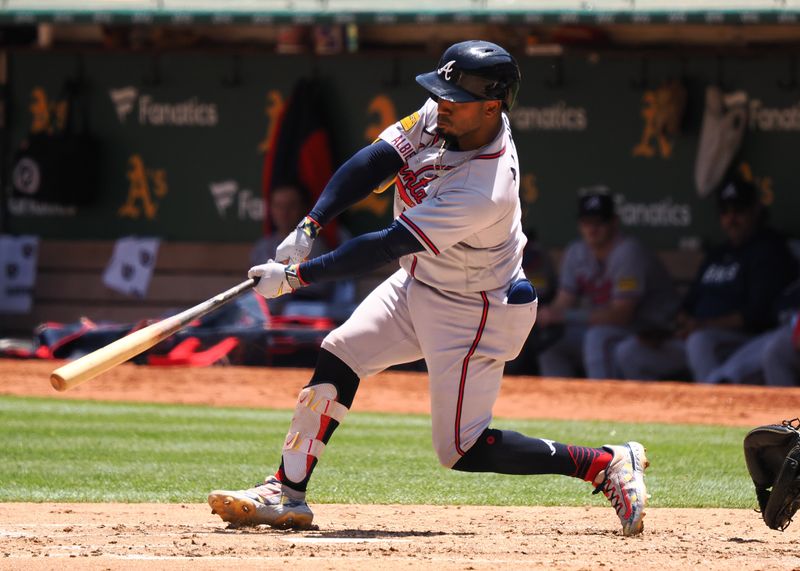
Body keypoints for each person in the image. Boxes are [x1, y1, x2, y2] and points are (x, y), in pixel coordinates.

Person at [207, 40, 649, 537]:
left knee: (460, 449)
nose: (440, 105)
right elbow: (375, 161)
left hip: (473, 307)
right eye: (440, 93)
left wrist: (294, 278)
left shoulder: (485, 186)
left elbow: (388, 244)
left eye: (453, 98)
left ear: (491, 106)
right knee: (341, 352)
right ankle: (286, 492)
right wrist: (311, 225)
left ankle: (606, 462)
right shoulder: (446, 112)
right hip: (420, 280)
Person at [616, 178, 798, 382]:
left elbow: (757, 315)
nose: (731, 218)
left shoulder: (770, 249)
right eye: (725, 212)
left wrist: (704, 325)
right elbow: (691, 301)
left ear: (755, 210)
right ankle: (653, 413)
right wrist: (675, 325)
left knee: (700, 341)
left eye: (739, 210)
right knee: (629, 352)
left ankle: (714, 410)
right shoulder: (718, 253)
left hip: (739, 341)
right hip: (697, 337)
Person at [535, 187, 679, 379]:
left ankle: (602, 405)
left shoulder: (629, 252)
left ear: (614, 222)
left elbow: (621, 315)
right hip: (606, 327)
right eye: (587, 222)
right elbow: (563, 303)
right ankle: (559, 406)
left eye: (599, 221)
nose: (592, 228)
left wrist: (563, 316)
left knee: (597, 338)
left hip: (651, 331)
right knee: (551, 343)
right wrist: (547, 316)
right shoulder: (576, 252)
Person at [251, 183, 355, 316]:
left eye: (291, 206)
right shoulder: (262, 246)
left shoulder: (314, 244)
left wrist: (285, 282)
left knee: (292, 309)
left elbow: (319, 289)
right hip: (267, 319)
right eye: (279, 206)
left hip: (307, 314)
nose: (284, 213)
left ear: (303, 207)